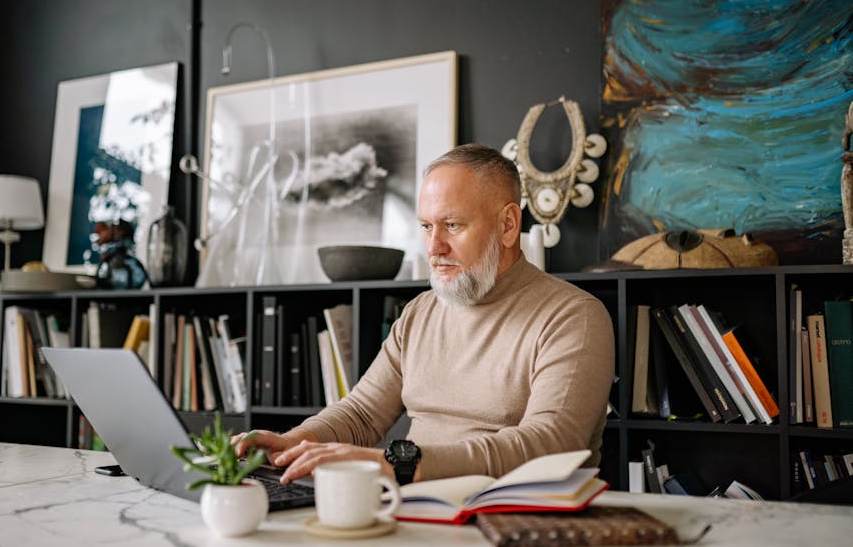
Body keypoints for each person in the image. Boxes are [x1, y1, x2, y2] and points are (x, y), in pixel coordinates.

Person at [235, 143, 615, 485]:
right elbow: (363, 414)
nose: (434, 247)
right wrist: (295, 441)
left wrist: (403, 465)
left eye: (452, 225)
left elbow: (550, 445)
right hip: (417, 511)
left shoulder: (573, 317)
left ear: (508, 225)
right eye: (426, 226)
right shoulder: (420, 313)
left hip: (518, 526)